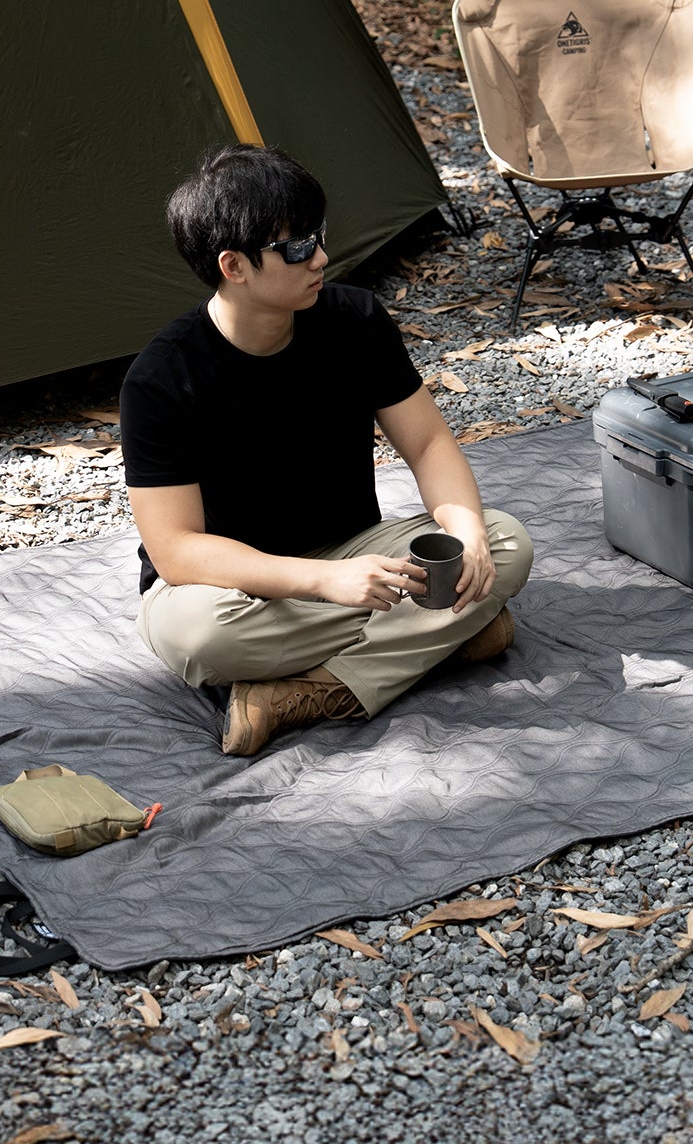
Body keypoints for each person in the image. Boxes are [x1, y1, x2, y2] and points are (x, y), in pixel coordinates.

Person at [120, 144, 533, 756]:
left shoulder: (354, 320)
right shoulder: (161, 379)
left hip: (353, 549)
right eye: (295, 248)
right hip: (233, 585)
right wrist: (324, 581)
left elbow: (427, 443)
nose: (320, 257)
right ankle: (443, 636)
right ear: (234, 266)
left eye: (318, 237)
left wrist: (467, 534)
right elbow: (177, 550)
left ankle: (306, 692)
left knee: (504, 544)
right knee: (196, 637)